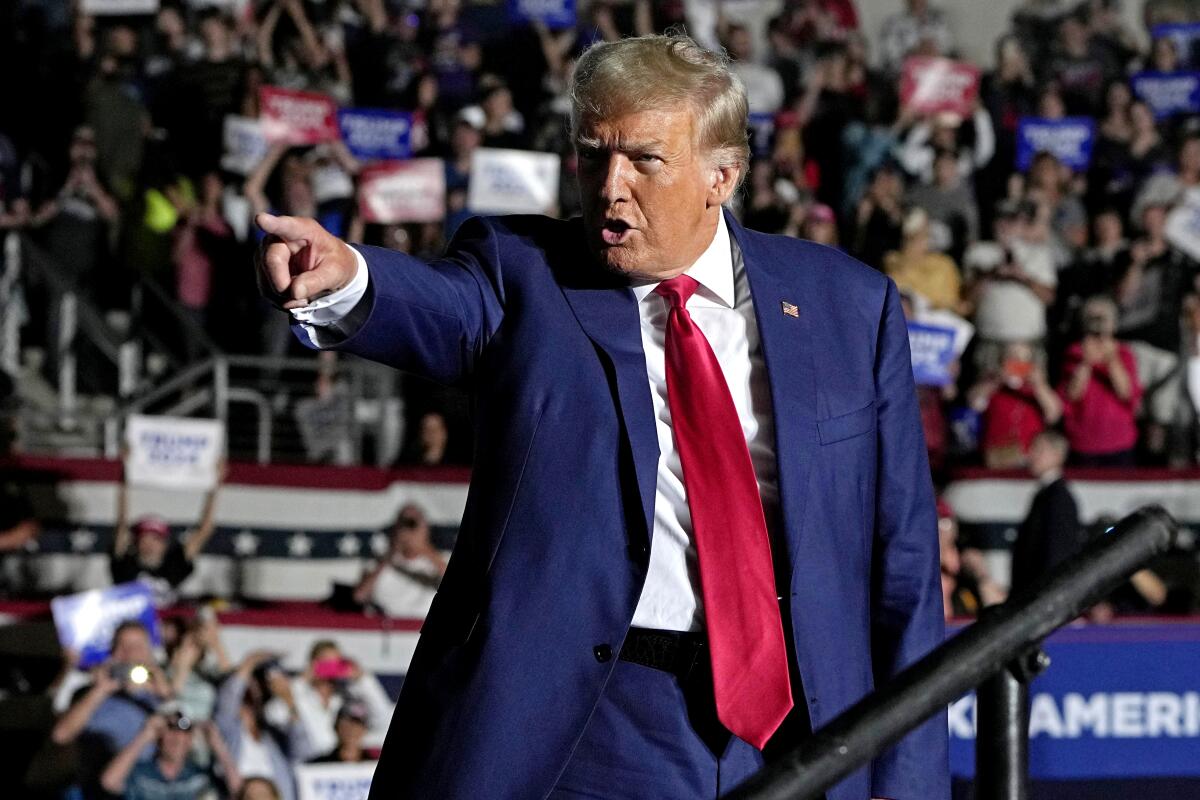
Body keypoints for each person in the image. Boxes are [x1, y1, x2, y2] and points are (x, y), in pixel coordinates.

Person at [257, 33, 948, 800]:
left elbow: (904, 574)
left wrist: (909, 786)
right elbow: (439, 308)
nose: (610, 186)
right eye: (594, 156)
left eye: (644, 160)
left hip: (801, 733)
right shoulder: (522, 271)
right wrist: (345, 279)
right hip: (588, 728)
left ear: (722, 175)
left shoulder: (849, 306)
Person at [111, 456, 226, 605]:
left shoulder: (175, 564)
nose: (149, 544)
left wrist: (215, 484)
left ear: (165, 543)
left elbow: (204, 530)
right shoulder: (125, 564)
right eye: (144, 538)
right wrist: (125, 476)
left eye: (155, 539)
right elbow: (121, 523)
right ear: (135, 542)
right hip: (132, 624)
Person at [1058, 296, 1143, 466]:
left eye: (1103, 318)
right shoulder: (1074, 353)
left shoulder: (1124, 353)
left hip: (1119, 441)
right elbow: (1072, 395)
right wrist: (1086, 362)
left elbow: (1126, 392)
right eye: (1092, 318)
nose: (1098, 324)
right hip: (1084, 442)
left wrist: (1111, 359)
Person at [100, 712, 241, 799]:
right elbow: (109, 782)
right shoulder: (140, 773)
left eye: (184, 734)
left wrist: (217, 744)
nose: (177, 737)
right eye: (171, 733)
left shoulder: (200, 776)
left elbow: (239, 790)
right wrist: (144, 735)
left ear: (191, 741)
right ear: (158, 738)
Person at [288, 640, 394, 757]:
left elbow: (383, 719)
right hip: (307, 766)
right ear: (312, 664)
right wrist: (302, 681)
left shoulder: (347, 696)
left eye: (335, 664)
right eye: (325, 664)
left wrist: (362, 679)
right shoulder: (298, 695)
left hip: (339, 765)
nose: (330, 669)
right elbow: (276, 716)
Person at [1009, 431, 1084, 595]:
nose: (1032, 455)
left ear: (1057, 456)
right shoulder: (1046, 495)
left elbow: (1058, 553)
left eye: (1039, 450)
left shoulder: (1058, 498)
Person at [353, 503, 448, 618]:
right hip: (386, 626)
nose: (408, 529)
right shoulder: (379, 559)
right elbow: (360, 596)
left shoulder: (438, 560)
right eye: (404, 522)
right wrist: (391, 554)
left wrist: (423, 549)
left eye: (413, 523)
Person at [306, 701, 374, 763]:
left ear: (364, 729)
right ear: (336, 727)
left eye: (356, 725)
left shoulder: (372, 763)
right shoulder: (318, 765)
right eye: (345, 725)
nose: (351, 730)